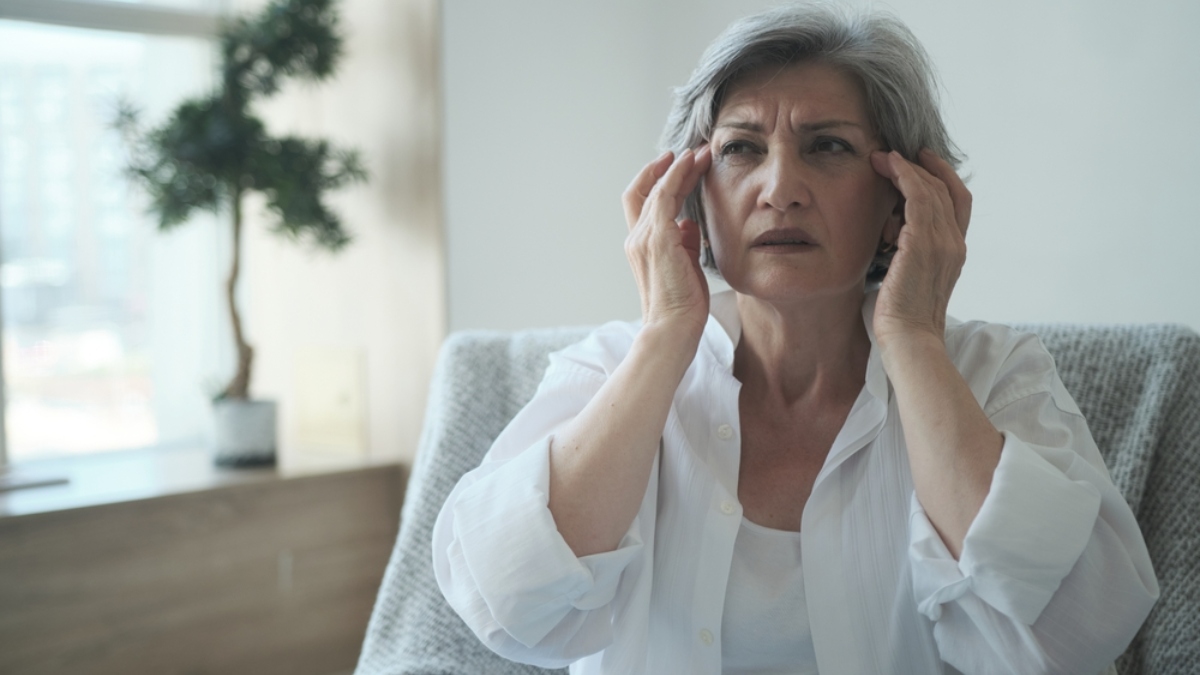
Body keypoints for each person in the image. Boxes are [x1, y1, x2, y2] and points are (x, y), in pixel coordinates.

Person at [432, 4, 1159, 674]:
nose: (781, 187)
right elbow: (503, 600)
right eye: (742, 148)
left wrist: (910, 336)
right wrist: (664, 336)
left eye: (828, 147)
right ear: (691, 193)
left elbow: (1081, 629)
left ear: (901, 198)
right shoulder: (613, 368)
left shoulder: (991, 372)